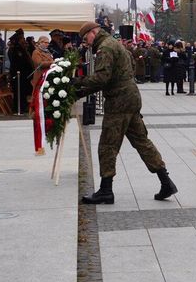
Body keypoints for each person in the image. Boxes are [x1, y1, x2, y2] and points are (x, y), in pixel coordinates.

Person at [72, 22, 178, 204]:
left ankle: (106, 190)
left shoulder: (105, 48)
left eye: (86, 38)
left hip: (119, 101)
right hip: (131, 98)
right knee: (142, 142)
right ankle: (165, 181)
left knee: (107, 145)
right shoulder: (115, 43)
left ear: (93, 32)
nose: (86, 43)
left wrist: (78, 84)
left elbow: (102, 78)